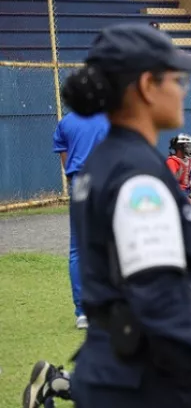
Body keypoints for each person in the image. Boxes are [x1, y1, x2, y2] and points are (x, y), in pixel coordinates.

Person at [23, 24, 191, 408]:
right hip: (143, 382)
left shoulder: (102, 165)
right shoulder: (138, 176)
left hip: (115, 370)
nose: (182, 88)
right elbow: (159, 299)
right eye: (176, 78)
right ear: (146, 86)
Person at [52, 111, 109, 329]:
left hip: (79, 183)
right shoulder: (109, 117)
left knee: (77, 249)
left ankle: (82, 313)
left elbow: (63, 154)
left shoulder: (66, 121)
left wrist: (72, 176)